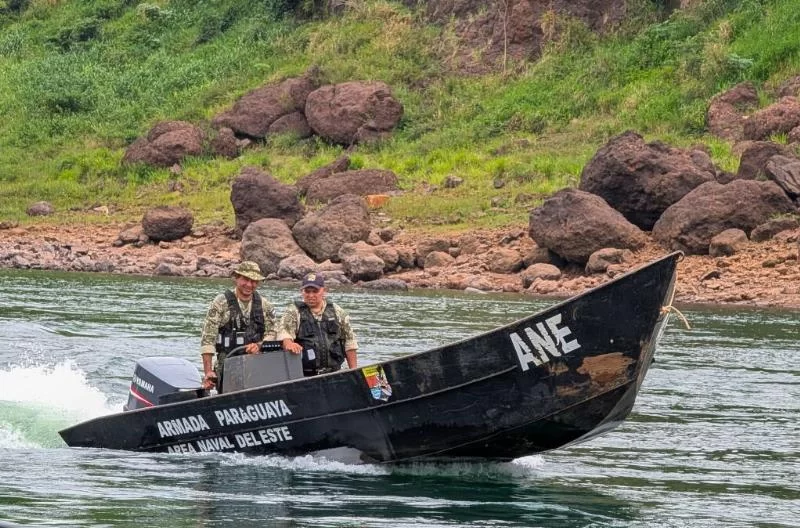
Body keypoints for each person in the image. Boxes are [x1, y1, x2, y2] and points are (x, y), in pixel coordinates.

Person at [199, 261, 276, 391]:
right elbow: (208, 339)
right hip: (228, 363)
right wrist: (208, 372)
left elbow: (273, 332)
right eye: (246, 279)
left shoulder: (265, 305)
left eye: (254, 281)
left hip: (256, 365)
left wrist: (260, 345)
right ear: (237, 278)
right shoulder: (220, 303)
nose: (249, 285)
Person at [277, 272, 358, 376]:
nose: (311, 295)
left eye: (315, 291)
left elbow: (350, 343)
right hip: (304, 375)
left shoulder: (337, 311)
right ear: (302, 291)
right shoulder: (294, 311)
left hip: (334, 373)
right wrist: (289, 344)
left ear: (324, 291)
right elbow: (284, 333)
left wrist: (354, 372)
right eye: (307, 291)